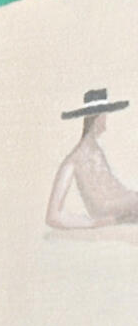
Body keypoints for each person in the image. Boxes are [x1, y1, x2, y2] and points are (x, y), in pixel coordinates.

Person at [45, 87, 138, 229]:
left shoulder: (96, 151)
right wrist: (92, 223)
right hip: (110, 208)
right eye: (105, 115)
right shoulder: (74, 159)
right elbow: (53, 216)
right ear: (98, 117)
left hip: (124, 205)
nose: (106, 119)